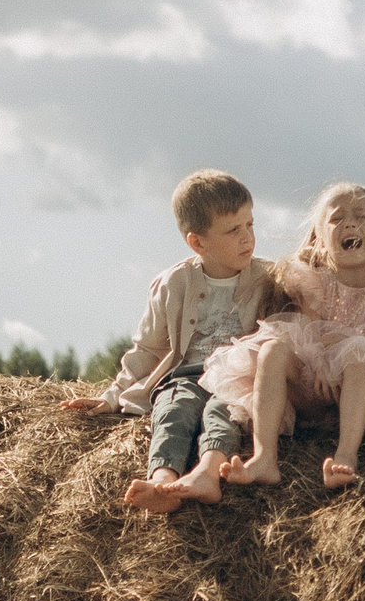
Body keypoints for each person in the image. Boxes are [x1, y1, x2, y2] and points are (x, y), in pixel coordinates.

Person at [208, 181, 365, 490]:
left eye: (360, 216)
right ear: (320, 240)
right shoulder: (315, 282)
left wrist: (359, 349)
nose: (349, 222)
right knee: (273, 349)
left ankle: (345, 457)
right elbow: (306, 336)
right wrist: (324, 363)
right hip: (314, 394)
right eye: (336, 218)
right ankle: (265, 457)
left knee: (360, 358)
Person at [62, 170, 271, 513]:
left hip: (236, 377)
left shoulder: (267, 279)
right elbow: (147, 348)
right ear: (198, 242)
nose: (247, 237)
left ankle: (208, 473)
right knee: (172, 409)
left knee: (224, 412)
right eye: (233, 231)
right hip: (186, 374)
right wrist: (113, 395)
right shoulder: (173, 284)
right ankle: (162, 481)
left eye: (250, 225)